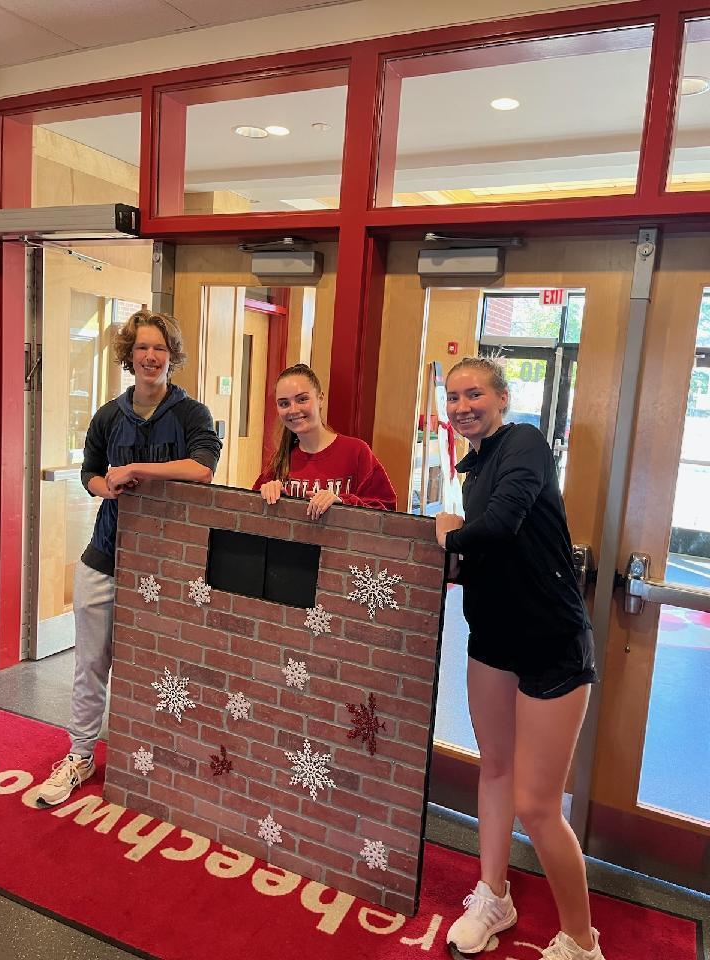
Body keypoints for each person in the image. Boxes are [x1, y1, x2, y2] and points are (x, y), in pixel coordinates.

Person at [434, 356, 603, 960]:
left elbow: (502, 525)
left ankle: (581, 941)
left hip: (552, 645)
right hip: (493, 639)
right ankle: (494, 895)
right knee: (496, 769)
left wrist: (447, 535)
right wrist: (453, 553)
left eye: (474, 394)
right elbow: (485, 559)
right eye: (453, 398)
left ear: (502, 398)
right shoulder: (473, 467)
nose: (462, 407)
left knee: (536, 804)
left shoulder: (524, 442)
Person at [37, 309, 222, 806]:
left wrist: (136, 468)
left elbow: (202, 469)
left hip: (167, 566)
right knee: (90, 664)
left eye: (159, 347)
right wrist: (107, 487)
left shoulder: (192, 414)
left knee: (159, 668)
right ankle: (80, 754)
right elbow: (91, 473)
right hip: (104, 557)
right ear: (129, 355)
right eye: (141, 347)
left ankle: (157, 762)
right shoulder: (108, 415)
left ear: (171, 356)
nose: (150, 356)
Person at [253, 363, 396, 514]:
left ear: (320, 399)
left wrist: (343, 503)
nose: (293, 409)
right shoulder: (280, 460)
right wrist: (266, 496)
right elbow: (250, 511)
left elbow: (387, 510)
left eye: (302, 399)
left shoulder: (356, 452)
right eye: (284, 403)